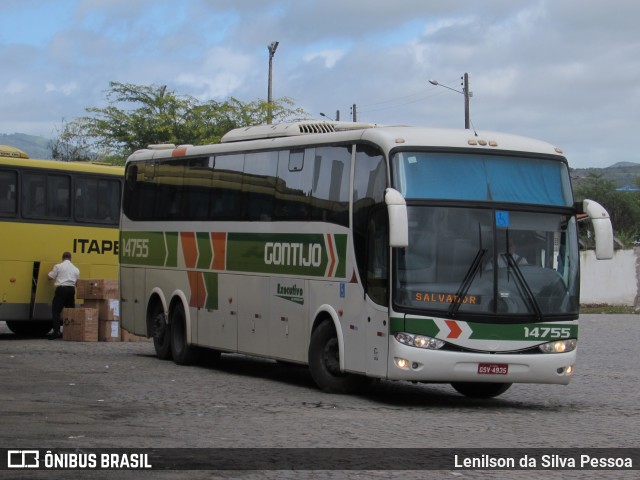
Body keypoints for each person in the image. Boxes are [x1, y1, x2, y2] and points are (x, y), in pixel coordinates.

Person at [47, 252, 80, 339]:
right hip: (71, 290)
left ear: (62, 258)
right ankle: (70, 332)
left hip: (61, 289)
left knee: (56, 311)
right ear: (70, 258)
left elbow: (50, 277)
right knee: (70, 311)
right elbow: (77, 283)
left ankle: (56, 332)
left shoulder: (58, 266)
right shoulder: (76, 269)